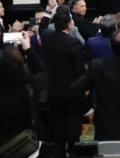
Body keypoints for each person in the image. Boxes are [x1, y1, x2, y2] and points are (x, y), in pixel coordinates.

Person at [0, 36, 46, 158]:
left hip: (1, 150)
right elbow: (43, 70)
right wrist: (28, 49)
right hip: (28, 147)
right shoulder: (30, 88)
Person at [42, 12, 85, 155]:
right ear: (69, 24)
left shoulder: (47, 40)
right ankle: (73, 152)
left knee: (57, 125)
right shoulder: (74, 42)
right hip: (71, 90)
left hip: (52, 88)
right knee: (72, 123)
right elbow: (79, 69)